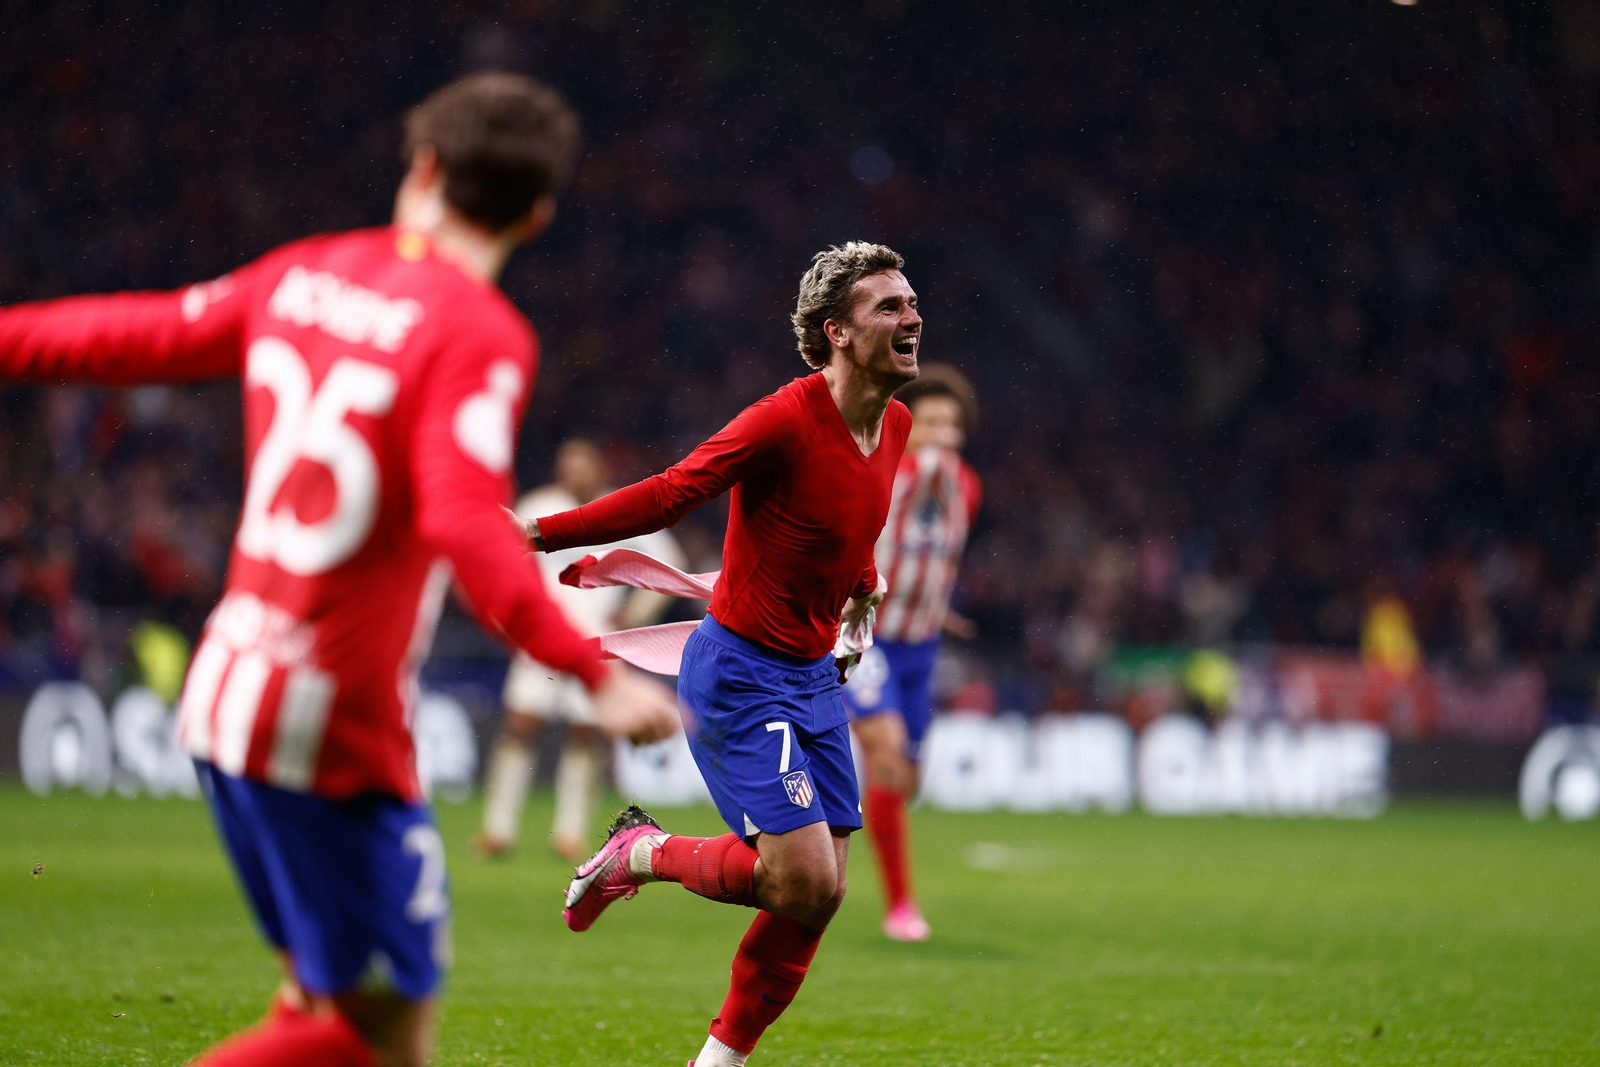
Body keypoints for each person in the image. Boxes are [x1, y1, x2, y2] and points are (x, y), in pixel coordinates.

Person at [0, 72, 679, 1067]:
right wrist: (586, 669)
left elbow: (126, 334)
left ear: (423, 165)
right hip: (331, 732)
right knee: (384, 1040)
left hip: (229, 689)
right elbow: (460, 515)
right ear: (535, 216)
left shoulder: (304, 272)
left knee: (320, 1007)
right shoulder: (478, 332)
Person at [513, 240, 920, 1067]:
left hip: (811, 678)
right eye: (890, 306)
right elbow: (673, 490)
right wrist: (534, 531)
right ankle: (642, 851)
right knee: (801, 878)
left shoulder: (896, 424)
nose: (913, 316)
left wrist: (863, 591)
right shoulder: (783, 419)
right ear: (838, 332)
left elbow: (848, 531)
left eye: (912, 302)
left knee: (820, 894)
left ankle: (717, 1062)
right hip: (739, 673)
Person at [475, 437, 686, 860]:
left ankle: (568, 834)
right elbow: (505, 559)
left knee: (585, 735)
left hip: (598, 641)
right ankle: (497, 830)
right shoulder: (539, 504)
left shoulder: (616, 509)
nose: (573, 473)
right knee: (519, 725)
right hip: (543, 635)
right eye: (567, 465)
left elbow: (669, 557)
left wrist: (632, 615)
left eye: (582, 465)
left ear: (598, 469)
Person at [842, 364, 981, 942]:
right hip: (864, 635)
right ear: (904, 422)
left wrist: (938, 607)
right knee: (887, 753)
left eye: (952, 422)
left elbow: (931, 556)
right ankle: (900, 906)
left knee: (906, 778)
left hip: (920, 646)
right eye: (930, 421)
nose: (943, 434)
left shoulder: (967, 485)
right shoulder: (885, 469)